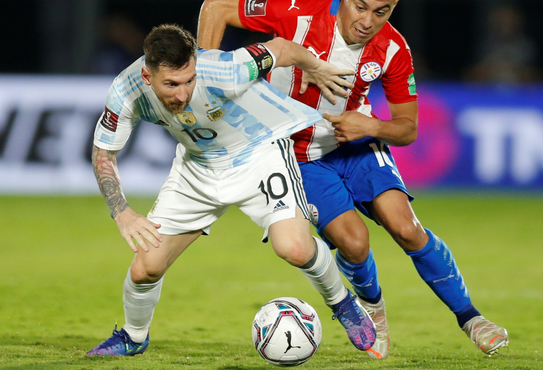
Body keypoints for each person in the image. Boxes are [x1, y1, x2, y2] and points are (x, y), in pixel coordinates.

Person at [197, 0, 509, 359]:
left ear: (393, 7)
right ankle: (374, 310)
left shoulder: (394, 48)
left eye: (381, 11)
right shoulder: (296, 13)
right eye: (360, 5)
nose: (367, 20)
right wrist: (205, 77)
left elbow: (408, 127)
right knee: (355, 243)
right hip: (295, 156)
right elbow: (215, 8)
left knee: (407, 227)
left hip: (356, 142)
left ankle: (471, 318)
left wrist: (371, 127)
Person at [86, 24, 376, 356]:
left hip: (260, 154)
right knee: (145, 268)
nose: (182, 94)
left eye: (189, 80)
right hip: (198, 169)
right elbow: (103, 154)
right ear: (147, 76)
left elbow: (282, 48)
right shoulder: (125, 92)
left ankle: (342, 302)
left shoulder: (225, 68)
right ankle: (133, 337)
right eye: (171, 84)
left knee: (294, 248)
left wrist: (316, 66)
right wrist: (122, 212)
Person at [464, 3, 543, 85]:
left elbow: (539, 79)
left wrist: (513, 71)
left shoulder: (528, 48)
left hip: (521, 95)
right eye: (501, 20)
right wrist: (492, 69)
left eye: (510, 20)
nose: (506, 24)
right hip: (487, 94)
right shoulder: (483, 46)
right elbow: (468, 77)